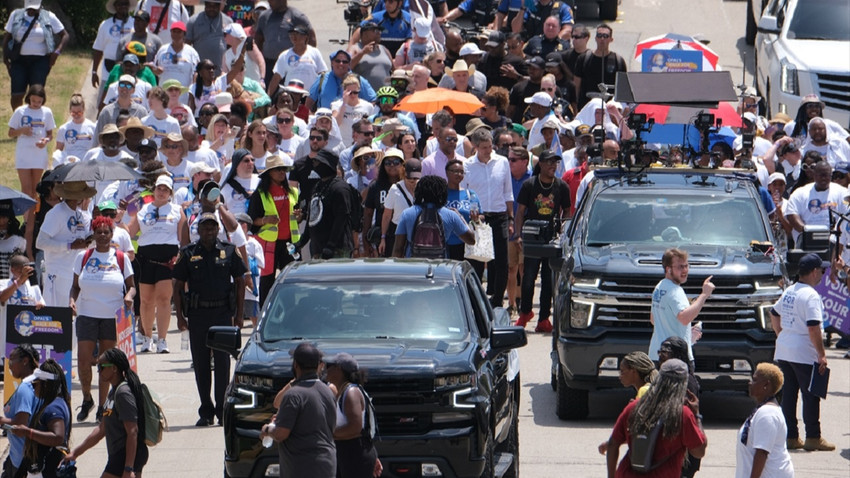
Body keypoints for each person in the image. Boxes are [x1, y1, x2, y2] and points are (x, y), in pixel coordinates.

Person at [173, 212, 247, 426]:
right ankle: (206, 410)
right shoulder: (188, 253)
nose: (209, 231)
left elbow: (241, 281)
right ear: (198, 230)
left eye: (213, 227)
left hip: (222, 313)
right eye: (205, 227)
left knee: (223, 363)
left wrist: (239, 315)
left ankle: (222, 410)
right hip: (198, 315)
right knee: (201, 364)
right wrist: (180, 316)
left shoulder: (229, 251)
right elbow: (177, 285)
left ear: (218, 229)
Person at [70, 216, 135, 423]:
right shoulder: (83, 256)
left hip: (111, 316)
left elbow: (132, 286)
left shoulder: (121, 258)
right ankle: (87, 398)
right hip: (87, 313)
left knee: (106, 363)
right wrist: (72, 300)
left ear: (112, 234)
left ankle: (102, 406)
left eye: (107, 232)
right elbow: (75, 285)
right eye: (99, 232)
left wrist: (129, 296)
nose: (103, 236)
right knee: (83, 360)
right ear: (94, 234)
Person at [769, 253, 835, 452]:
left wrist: (781, 334)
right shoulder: (811, 295)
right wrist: (821, 354)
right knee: (811, 394)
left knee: (789, 395)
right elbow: (813, 327)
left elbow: (773, 312)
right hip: (803, 352)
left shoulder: (790, 290)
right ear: (814, 271)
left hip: (785, 349)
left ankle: (791, 436)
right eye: (822, 271)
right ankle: (813, 437)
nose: (823, 275)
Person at [605, 359, 708, 478]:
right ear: (683, 385)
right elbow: (699, 451)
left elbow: (613, 444)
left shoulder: (634, 407)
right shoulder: (682, 414)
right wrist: (697, 415)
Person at [63, 348, 149, 478]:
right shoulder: (113, 392)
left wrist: (128, 467)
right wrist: (76, 452)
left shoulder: (123, 393)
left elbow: (133, 431)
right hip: (120, 456)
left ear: (114, 368)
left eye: (102, 367)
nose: (98, 371)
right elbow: (102, 428)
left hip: (125, 456)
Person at [259, 342, 336, 478]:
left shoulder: (293, 394)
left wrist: (267, 429)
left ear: (295, 365)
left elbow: (281, 434)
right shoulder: (328, 391)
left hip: (302, 467)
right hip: (326, 465)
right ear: (318, 365)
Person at [128, 174, 185, 354]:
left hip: (167, 257)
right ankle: (146, 338)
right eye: (159, 188)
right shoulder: (143, 210)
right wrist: (119, 217)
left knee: (163, 299)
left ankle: (162, 339)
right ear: (154, 190)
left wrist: (180, 257)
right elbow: (130, 232)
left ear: (170, 193)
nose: (162, 192)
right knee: (145, 300)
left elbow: (183, 238)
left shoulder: (177, 210)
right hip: (146, 256)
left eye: (166, 189)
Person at [515, 149, 570, 332]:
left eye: (555, 162)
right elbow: (520, 211)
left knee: (548, 279)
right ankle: (525, 313)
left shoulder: (562, 186)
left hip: (551, 238)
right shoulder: (529, 185)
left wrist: (563, 232)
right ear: (541, 164)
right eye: (548, 162)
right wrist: (519, 234)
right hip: (532, 236)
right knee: (529, 277)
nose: (552, 165)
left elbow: (567, 211)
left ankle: (544, 319)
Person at [461, 128, 513, 307]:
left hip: (499, 216)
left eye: (490, 146)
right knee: (476, 260)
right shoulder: (467, 166)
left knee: (502, 261)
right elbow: (463, 194)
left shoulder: (502, 162)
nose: (488, 150)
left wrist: (511, 218)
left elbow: (508, 193)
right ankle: (476, 300)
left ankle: (497, 300)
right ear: (475, 147)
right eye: (484, 147)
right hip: (478, 218)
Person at [247, 155, 300, 305]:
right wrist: (265, 220)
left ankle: (291, 310)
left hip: (290, 242)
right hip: (268, 243)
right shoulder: (261, 194)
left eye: (284, 169)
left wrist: (300, 215)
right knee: (267, 279)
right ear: (269, 173)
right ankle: (266, 310)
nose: (282, 172)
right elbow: (251, 220)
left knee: (290, 279)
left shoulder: (293, 192)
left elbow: (299, 216)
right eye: (278, 169)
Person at [648, 248, 715, 365]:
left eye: (686, 266)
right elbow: (684, 318)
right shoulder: (676, 291)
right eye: (680, 267)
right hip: (677, 360)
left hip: (656, 355)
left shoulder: (659, 287)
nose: (684, 270)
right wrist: (704, 294)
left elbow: (654, 320)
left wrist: (688, 336)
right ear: (668, 269)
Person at [36, 181, 94, 307]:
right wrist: (69, 246)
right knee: (59, 316)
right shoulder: (56, 213)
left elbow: (84, 241)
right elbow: (40, 242)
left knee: (74, 316)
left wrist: (90, 238)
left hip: (76, 273)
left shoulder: (80, 215)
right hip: (58, 274)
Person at [2, 0, 69, 109]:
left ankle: (35, 118)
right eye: (29, 8)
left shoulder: (49, 16)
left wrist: (56, 52)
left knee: (36, 94)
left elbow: (65, 35)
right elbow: (7, 38)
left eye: (34, 8)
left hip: (40, 61)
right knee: (17, 94)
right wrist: (5, 59)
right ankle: (19, 119)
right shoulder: (15, 15)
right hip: (19, 60)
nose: (31, 10)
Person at [10, 359, 71, 478]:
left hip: (48, 471)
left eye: (35, 384)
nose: (33, 388)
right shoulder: (55, 403)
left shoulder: (54, 407)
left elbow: (58, 437)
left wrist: (28, 432)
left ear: (45, 385)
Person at [324, 353, 379, 478]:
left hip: (355, 454)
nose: (325, 369)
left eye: (328, 366)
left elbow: (354, 428)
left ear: (338, 369)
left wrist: (326, 434)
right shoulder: (335, 390)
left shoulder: (351, 393)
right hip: (341, 452)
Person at [735, 362, 794, 478]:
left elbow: (762, 453)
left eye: (755, 380)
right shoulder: (763, 410)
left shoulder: (767, 414)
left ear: (766, 385)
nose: (750, 383)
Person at [392, 175, 475, 258]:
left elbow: (398, 249)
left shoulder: (407, 213)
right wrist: (460, 216)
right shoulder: (451, 215)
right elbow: (471, 240)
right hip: (439, 266)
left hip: (414, 266)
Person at [301, 150, 355, 258]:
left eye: (318, 162)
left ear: (327, 165)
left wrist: (331, 245)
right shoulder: (317, 186)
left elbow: (341, 218)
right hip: (317, 248)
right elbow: (311, 219)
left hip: (337, 250)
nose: (314, 165)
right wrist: (301, 242)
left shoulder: (340, 188)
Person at [8, 84, 55, 201]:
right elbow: (10, 133)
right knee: (26, 189)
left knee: (35, 189)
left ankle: (33, 218)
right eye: (33, 100)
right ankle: (26, 218)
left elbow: (50, 134)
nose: (36, 103)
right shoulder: (20, 111)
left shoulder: (47, 112)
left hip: (38, 154)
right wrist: (21, 130)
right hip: (23, 153)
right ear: (29, 97)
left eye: (39, 101)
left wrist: (46, 140)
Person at [0, 344, 40, 478]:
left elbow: (20, 423)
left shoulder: (25, 388)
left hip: (23, 461)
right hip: (16, 457)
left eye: (12, 361)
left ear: (25, 361)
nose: (9, 366)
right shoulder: (33, 383)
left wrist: (1, 421)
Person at [573, 23, 627, 110]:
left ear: (611, 39)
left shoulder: (618, 61)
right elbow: (576, 86)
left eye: (605, 36)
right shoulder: (583, 59)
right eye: (599, 35)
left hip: (610, 109)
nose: (602, 39)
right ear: (595, 38)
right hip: (587, 108)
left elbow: (623, 89)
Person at [267, 24, 327, 97]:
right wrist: (268, 97)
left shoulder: (314, 52)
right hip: (290, 95)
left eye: (297, 34)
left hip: (310, 96)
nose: (294, 37)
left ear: (306, 37)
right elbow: (276, 78)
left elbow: (322, 74)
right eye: (292, 34)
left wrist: (322, 93)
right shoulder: (285, 55)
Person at [379, 154, 418, 256]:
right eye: (410, 177)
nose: (413, 180)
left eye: (415, 177)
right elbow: (387, 215)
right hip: (397, 231)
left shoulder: (424, 187)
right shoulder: (394, 189)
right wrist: (383, 238)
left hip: (417, 231)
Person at [445, 159, 480, 261]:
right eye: (455, 171)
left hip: (467, 244)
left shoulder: (470, 194)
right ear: (447, 172)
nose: (459, 174)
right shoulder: (441, 194)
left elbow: (481, 215)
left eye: (461, 172)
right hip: (446, 244)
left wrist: (476, 218)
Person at [234, 213, 265, 328]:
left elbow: (261, 264)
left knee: (253, 312)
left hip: (250, 285)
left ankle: (258, 333)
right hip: (235, 282)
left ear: (244, 226)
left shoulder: (254, 244)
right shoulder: (232, 243)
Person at [185, 0, 231, 74]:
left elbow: (231, 46)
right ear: (205, 5)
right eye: (209, 6)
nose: (211, 8)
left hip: (221, 72)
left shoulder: (228, 21)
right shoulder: (193, 21)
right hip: (199, 71)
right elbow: (186, 46)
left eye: (214, 6)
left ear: (220, 6)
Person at [53, 93, 97, 167]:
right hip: (69, 164)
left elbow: (96, 149)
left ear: (84, 109)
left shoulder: (92, 127)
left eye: (79, 112)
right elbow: (59, 152)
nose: (76, 115)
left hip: (86, 164)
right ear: (70, 111)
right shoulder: (63, 128)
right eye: (73, 113)